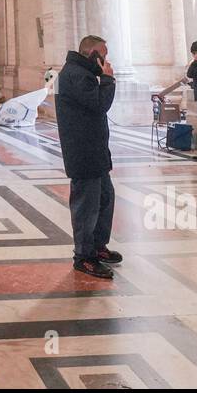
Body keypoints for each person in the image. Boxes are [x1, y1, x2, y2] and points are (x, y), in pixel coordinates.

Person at [55, 35, 122, 279]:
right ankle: (84, 257)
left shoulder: (77, 72)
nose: (106, 59)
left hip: (93, 149)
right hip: (83, 151)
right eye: (103, 54)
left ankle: (97, 246)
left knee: (105, 197)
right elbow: (99, 104)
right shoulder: (75, 75)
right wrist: (107, 79)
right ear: (92, 54)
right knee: (86, 207)